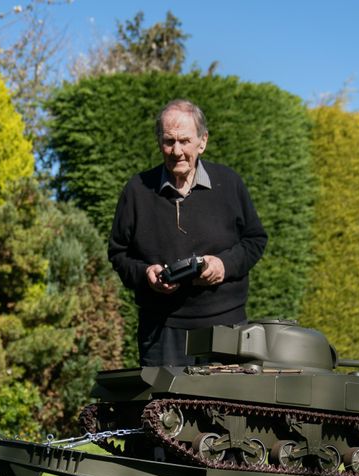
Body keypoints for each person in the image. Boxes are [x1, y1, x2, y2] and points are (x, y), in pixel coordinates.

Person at [108, 99, 268, 366]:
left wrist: (224, 265)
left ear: (202, 141)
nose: (177, 151)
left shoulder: (229, 183)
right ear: (159, 141)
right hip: (161, 333)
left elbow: (255, 240)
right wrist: (146, 274)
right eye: (169, 141)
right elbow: (118, 253)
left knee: (223, 408)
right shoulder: (137, 190)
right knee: (163, 408)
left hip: (226, 328)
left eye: (185, 141)